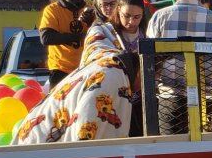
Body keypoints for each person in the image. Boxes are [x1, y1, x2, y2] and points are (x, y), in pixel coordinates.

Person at [13, 14, 134, 145]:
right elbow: (86, 133)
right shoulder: (111, 77)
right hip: (34, 148)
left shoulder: (105, 63)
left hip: (38, 141)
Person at [146, 0, 212, 134]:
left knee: (172, 149)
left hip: (170, 96)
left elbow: (150, 57)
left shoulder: (159, 17)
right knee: (205, 150)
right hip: (207, 97)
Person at [39, 0, 96, 87]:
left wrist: (91, 23)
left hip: (87, 68)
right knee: (60, 104)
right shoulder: (52, 10)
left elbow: (100, 36)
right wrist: (79, 37)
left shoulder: (90, 11)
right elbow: (46, 38)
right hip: (60, 70)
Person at [108, 0, 148, 136]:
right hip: (113, 99)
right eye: (127, 16)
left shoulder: (146, 34)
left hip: (139, 100)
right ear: (118, 10)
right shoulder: (108, 33)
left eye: (137, 17)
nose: (131, 22)